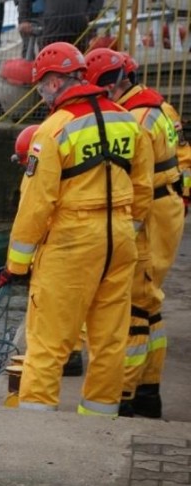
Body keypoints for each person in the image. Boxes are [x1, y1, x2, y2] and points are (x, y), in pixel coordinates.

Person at [0, 41, 154, 415]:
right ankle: (97, 427)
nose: (40, 94)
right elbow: (143, 189)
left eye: (40, 86)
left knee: (47, 344)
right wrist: (123, 231)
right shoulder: (126, 120)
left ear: (54, 82)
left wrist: (16, 265)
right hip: (118, 242)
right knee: (109, 342)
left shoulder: (52, 131)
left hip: (70, 245)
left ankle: (36, 434)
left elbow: (36, 205)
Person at [85, 48, 186, 418]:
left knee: (132, 308)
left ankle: (124, 394)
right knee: (151, 307)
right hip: (168, 208)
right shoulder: (159, 107)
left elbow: (133, 176)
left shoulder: (135, 118)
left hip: (150, 215)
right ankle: (147, 392)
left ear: (114, 84)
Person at [11, 125, 85, 378]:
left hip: (70, 239)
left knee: (57, 302)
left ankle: (70, 354)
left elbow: (35, 210)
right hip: (104, 233)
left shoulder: (47, 148)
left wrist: (16, 267)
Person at [17, 0, 103, 51]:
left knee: (80, 71)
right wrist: (23, 19)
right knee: (50, 71)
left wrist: (89, 15)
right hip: (51, 32)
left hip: (80, 32)